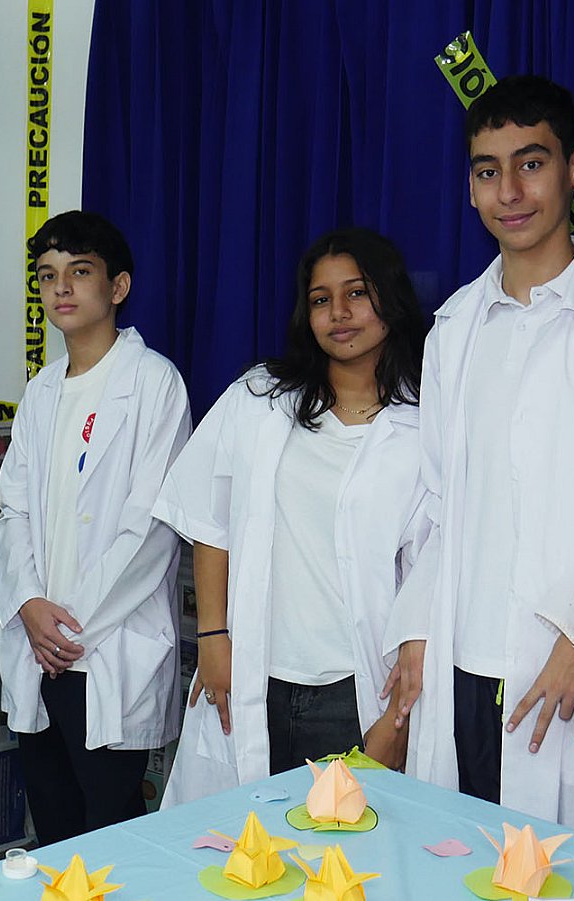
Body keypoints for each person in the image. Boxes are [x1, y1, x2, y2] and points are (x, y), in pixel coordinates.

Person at [382, 75, 574, 838]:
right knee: (457, 861)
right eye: (488, 171)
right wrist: (418, 630)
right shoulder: (454, 327)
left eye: (531, 163)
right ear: (469, 189)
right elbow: (439, 502)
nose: (510, 191)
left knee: (560, 869)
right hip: (464, 663)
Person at [156, 228, 428, 805]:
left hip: (359, 690)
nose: (339, 313)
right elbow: (209, 520)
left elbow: (431, 577)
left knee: (346, 851)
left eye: (357, 293)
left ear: (391, 298)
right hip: (255, 675)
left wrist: (399, 717)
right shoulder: (260, 398)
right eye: (321, 299)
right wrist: (213, 638)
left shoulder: (423, 425)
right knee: (247, 841)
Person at [0, 210, 192, 844]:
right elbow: (14, 510)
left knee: (112, 832)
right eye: (47, 274)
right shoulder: (41, 391)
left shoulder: (154, 382)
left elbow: (152, 528)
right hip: (39, 644)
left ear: (118, 286)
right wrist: (29, 604)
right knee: (54, 828)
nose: (61, 287)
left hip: (104, 646)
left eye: (80, 271)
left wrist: (69, 627)